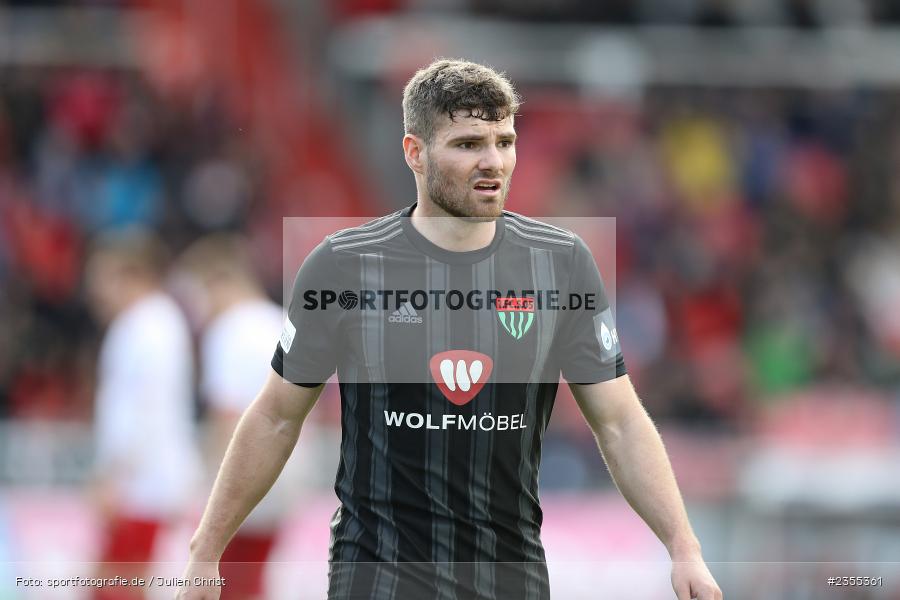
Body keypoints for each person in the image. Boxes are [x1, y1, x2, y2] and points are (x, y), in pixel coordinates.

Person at [177, 59, 723, 600]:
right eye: (468, 144)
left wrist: (683, 547)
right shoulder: (344, 266)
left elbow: (620, 421)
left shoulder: (561, 265)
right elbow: (276, 416)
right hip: (379, 580)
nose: (493, 162)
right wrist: (206, 550)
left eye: (504, 142)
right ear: (415, 153)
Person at [176, 234, 295, 600]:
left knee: (222, 583)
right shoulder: (281, 321)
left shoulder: (229, 331)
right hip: (284, 472)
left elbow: (227, 416)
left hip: (241, 477)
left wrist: (209, 488)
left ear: (217, 281)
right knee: (251, 582)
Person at [85, 228, 202, 600]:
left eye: (101, 277)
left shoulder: (142, 327)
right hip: (149, 480)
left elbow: (139, 411)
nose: (94, 290)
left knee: (114, 589)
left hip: (140, 486)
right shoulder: (160, 322)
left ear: (130, 274)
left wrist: (113, 476)